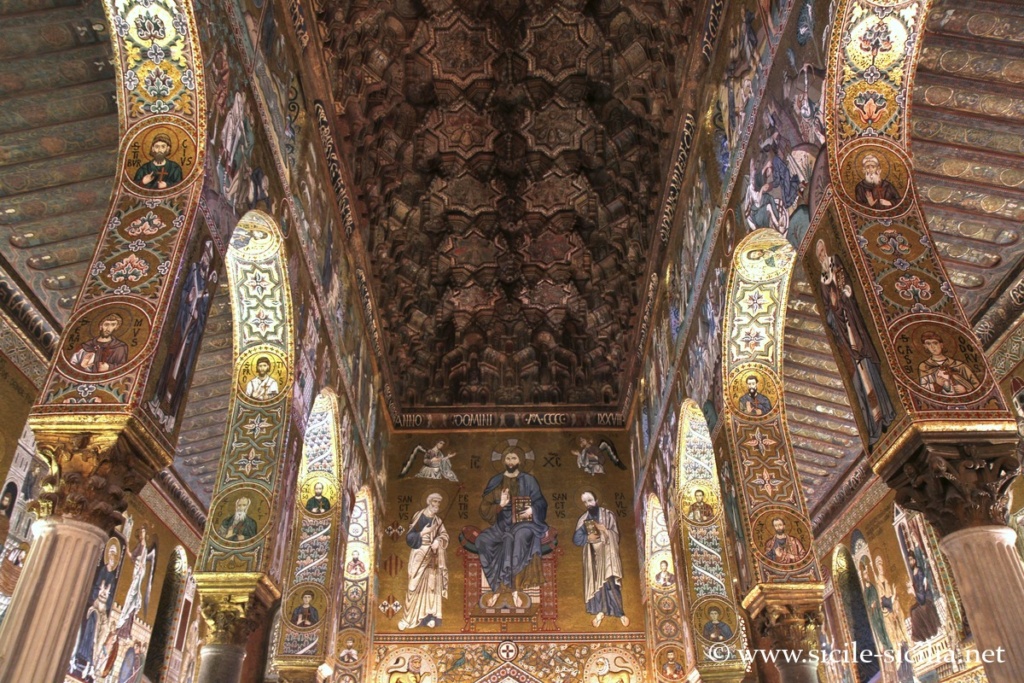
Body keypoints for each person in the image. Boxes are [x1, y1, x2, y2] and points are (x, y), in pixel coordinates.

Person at [816, 239, 895, 445]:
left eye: (823, 250)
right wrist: (833, 308)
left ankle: (885, 412)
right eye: (819, 254)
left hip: (853, 324)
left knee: (867, 369)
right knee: (859, 380)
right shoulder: (822, 278)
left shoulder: (836, 265)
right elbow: (828, 308)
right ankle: (874, 422)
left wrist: (842, 299)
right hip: (842, 329)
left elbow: (846, 288)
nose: (822, 255)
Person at [150, 239, 215, 429]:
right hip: (181, 327)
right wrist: (189, 300)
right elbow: (184, 293)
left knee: (182, 371)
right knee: (170, 363)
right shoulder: (193, 274)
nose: (204, 260)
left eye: (207, 258)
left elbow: (202, 314)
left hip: (190, 335)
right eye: (203, 256)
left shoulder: (205, 286)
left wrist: (199, 311)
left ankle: (170, 411)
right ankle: (157, 399)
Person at [475, 451, 548, 608]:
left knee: (518, 538)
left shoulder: (529, 480)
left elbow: (541, 503)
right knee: (482, 540)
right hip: (501, 525)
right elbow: (484, 507)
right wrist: (499, 505)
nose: (510, 461)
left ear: (520, 460)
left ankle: (513, 588)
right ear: (503, 461)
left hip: (525, 524)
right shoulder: (496, 481)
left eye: (514, 458)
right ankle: (496, 585)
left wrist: (532, 510)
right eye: (507, 458)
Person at [572, 491, 628, 627]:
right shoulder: (584, 519)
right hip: (593, 556)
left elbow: (616, 535)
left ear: (596, 500)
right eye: (585, 502)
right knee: (597, 583)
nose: (588, 504)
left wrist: (606, 531)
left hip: (608, 554)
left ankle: (620, 612)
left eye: (590, 500)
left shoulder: (608, 515)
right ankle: (600, 611)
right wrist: (587, 538)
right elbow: (576, 539)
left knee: (610, 580)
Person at [398, 493, 449, 630]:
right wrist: (423, 533)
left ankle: (430, 616)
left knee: (432, 584)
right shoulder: (419, 516)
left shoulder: (438, 521)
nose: (437, 505)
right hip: (419, 552)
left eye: (439, 502)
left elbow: (444, 535)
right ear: (429, 502)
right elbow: (409, 537)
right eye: (435, 502)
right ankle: (408, 618)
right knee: (414, 583)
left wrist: (438, 541)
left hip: (434, 555)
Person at [917, 331, 980, 396]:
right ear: (925, 346)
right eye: (928, 344)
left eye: (935, 343)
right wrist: (937, 385)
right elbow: (924, 390)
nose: (932, 347)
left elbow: (977, 385)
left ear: (941, 345)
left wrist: (966, 390)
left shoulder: (959, 365)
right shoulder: (924, 367)